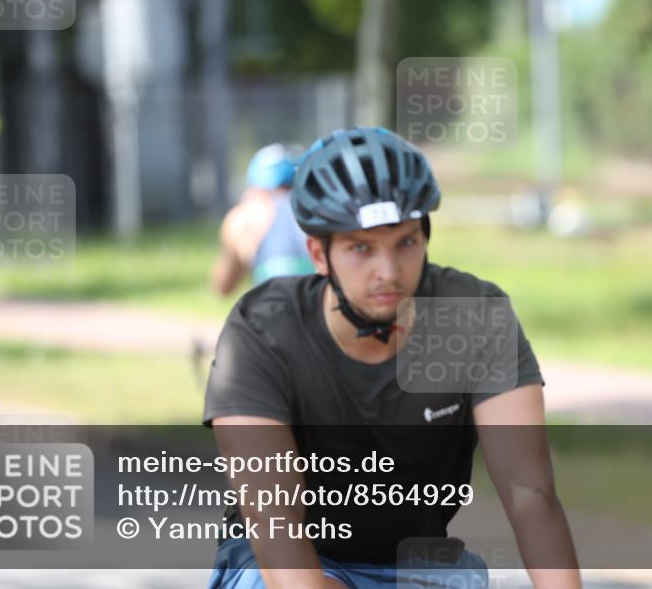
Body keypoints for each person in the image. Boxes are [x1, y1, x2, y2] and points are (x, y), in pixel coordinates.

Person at [203, 127, 581, 589]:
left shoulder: (474, 316)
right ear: (319, 254)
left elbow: (530, 495)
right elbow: (275, 522)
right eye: (361, 248)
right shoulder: (261, 331)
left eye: (405, 242)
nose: (388, 271)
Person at [211, 143, 315, 296]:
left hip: (272, 308)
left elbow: (224, 286)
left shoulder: (246, 215)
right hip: (318, 305)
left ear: (255, 186)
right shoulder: (314, 209)